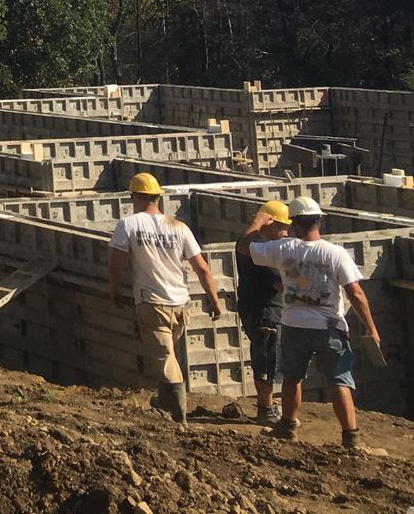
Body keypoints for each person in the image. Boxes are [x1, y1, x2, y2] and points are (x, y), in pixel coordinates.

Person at [247, 194, 382, 449]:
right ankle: (350, 438)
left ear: (295, 223)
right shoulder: (335, 253)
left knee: (292, 378)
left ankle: (287, 427)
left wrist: (258, 222)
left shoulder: (283, 248)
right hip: (329, 326)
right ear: (319, 221)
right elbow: (355, 292)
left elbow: (245, 247)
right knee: (339, 380)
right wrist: (371, 327)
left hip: (293, 325)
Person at [107, 171, 225, 426]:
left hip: (152, 302)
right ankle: (164, 402)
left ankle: (178, 416)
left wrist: (114, 291)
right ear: (157, 198)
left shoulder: (128, 224)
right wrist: (214, 300)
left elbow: (115, 265)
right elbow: (202, 268)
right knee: (167, 353)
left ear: (135, 197)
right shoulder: (178, 226)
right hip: (181, 304)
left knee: (165, 358)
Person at [233, 199, 291, 424]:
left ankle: (267, 406)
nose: (286, 233)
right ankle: (266, 409)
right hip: (266, 311)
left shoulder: (248, 243)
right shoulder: (263, 250)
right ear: (271, 224)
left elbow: (243, 241)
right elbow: (280, 283)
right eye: (284, 227)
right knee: (266, 359)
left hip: (254, 308)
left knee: (263, 355)